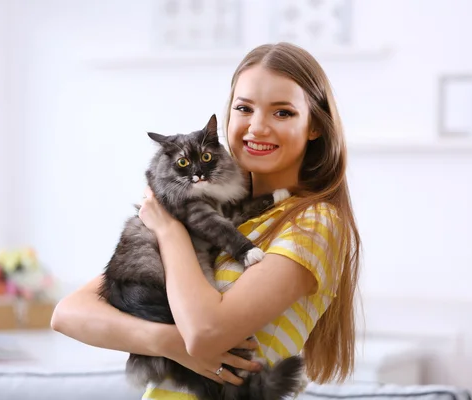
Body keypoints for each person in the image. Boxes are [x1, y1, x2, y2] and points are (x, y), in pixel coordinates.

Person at [51, 42, 362, 399]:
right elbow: (69, 313)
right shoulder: (220, 209)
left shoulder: (313, 222)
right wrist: (169, 342)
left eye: (283, 113)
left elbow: (203, 334)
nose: (257, 127)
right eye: (244, 108)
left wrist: (168, 229)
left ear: (314, 126)